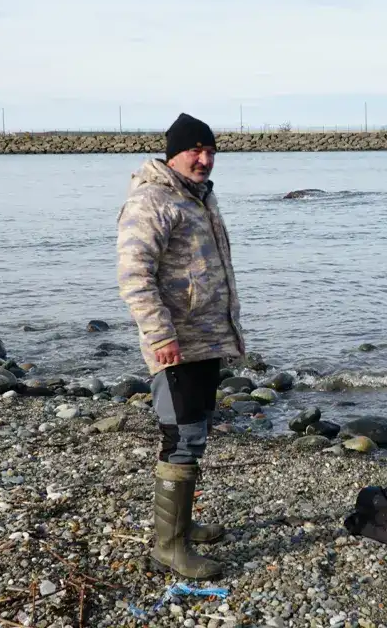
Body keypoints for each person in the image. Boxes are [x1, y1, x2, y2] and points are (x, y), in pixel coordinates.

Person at [116, 112, 245, 579]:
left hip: (204, 340)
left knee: (197, 430)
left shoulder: (198, 198)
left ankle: (182, 525)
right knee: (181, 437)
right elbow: (134, 278)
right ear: (174, 153)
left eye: (211, 151)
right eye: (196, 150)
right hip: (174, 345)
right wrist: (160, 334)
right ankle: (169, 546)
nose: (205, 159)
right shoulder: (152, 200)